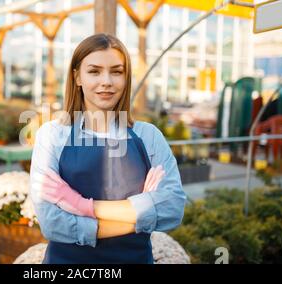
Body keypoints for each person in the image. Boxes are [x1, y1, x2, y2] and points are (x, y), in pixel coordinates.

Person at [30, 33, 186, 264]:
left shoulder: (149, 136)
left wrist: (81, 206)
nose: (107, 81)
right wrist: (141, 212)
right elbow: (53, 224)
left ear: (126, 77)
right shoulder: (53, 135)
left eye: (116, 71)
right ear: (77, 77)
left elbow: (172, 209)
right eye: (94, 71)